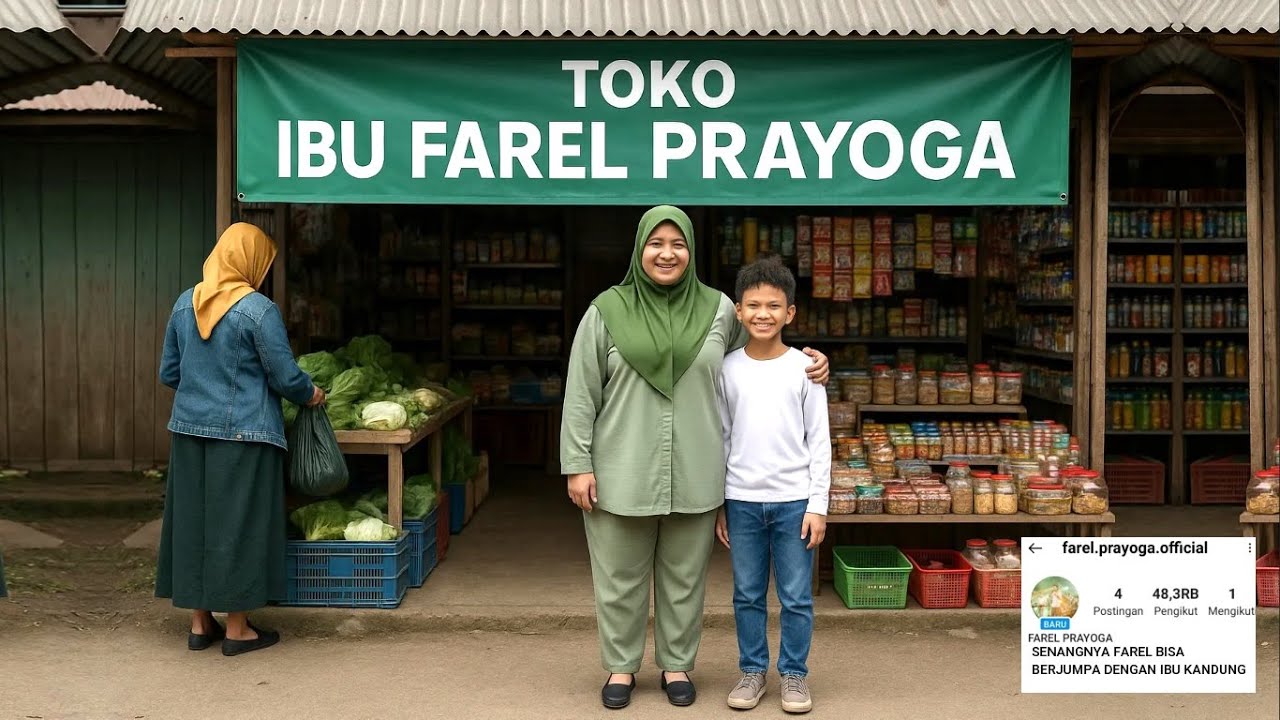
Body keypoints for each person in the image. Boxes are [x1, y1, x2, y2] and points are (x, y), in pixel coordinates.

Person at [561, 205, 829, 710]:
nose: (667, 253)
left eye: (678, 244)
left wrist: (812, 362)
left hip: (698, 468)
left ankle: (676, 664)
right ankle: (621, 668)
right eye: (656, 243)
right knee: (619, 576)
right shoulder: (605, 310)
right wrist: (577, 463)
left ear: (691, 251)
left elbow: (757, 354)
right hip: (621, 465)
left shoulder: (719, 309)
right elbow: (581, 393)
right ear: (639, 249)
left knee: (684, 577)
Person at [155, 222, 324, 657]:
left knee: (194, 524)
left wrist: (202, 390)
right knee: (238, 526)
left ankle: (198, 624)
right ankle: (237, 629)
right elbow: (285, 376)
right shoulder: (258, 310)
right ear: (249, 260)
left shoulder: (183, 304)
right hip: (245, 435)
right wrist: (312, 394)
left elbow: (169, 374)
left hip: (189, 432)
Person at [715, 257, 830, 714]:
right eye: (753, 305)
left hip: (793, 501)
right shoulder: (726, 368)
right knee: (746, 593)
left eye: (774, 306)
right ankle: (752, 670)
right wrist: (719, 503)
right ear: (738, 312)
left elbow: (819, 440)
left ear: (791, 313)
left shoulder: (804, 369)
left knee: (796, 596)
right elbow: (722, 437)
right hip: (741, 500)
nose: (763, 314)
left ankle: (795, 675)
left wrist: (817, 504)